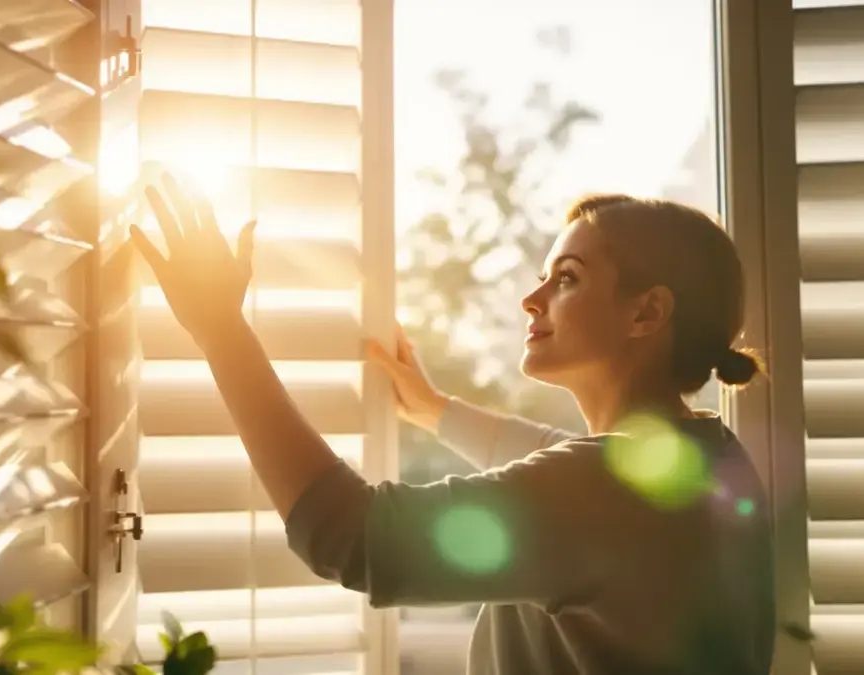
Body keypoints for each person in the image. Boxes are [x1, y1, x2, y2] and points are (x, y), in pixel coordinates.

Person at [132, 177, 775, 675]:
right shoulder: (705, 457)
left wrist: (220, 330)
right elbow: (555, 458)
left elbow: (349, 536)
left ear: (647, 313)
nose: (533, 298)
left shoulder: (609, 486)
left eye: (567, 279)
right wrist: (432, 409)